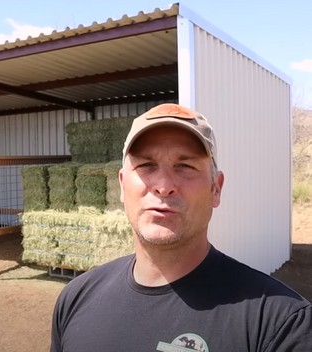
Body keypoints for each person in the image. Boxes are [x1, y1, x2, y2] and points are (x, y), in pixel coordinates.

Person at [50, 103, 312, 351]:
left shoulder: (281, 323)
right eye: (146, 165)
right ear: (121, 185)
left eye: (185, 166)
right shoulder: (75, 298)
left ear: (216, 189)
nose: (164, 185)